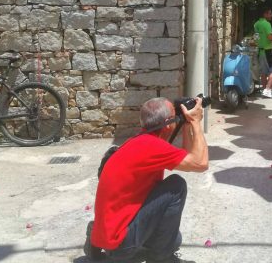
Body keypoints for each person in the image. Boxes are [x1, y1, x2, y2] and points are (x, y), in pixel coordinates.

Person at [86, 97, 209, 263]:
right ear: (167, 123)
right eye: (175, 114)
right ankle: (161, 258)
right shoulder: (152, 147)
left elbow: (188, 158)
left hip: (111, 234)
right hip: (120, 243)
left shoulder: (142, 140)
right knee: (177, 185)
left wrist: (186, 125)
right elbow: (200, 163)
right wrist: (195, 122)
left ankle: (97, 235)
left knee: (175, 239)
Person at [254, 8, 272, 98]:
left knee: (263, 72)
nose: (271, 15)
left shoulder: (256, 24)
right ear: (265, 14)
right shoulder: (267, 24)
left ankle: (264, 90)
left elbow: (256, 38)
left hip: (260, 51)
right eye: (270, 14)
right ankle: (268, 89)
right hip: (268, 50)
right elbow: (270, 37)